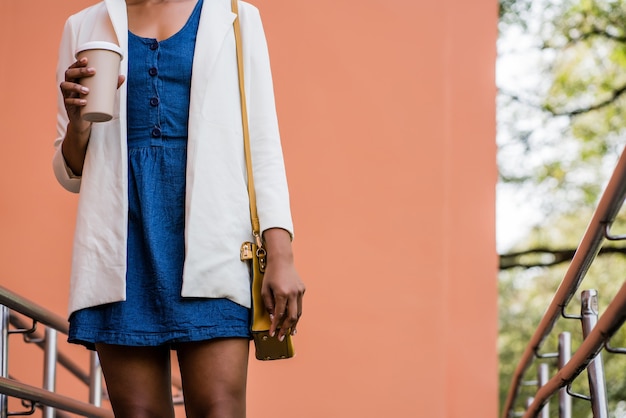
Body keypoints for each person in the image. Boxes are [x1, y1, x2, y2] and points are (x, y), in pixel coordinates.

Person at [53, 0, 305, 416]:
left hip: (213, 239)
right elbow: (71, 172)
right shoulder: (83, 25)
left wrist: (281, 254)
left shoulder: (236, 15)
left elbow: (262, 144)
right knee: (138, 413)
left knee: (219, 408)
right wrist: (78, 124)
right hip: (121, 246)